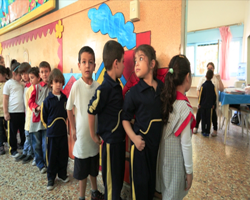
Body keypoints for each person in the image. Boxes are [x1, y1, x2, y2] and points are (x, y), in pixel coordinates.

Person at [122, 44, 163, 200]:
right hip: (139, 149)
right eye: (135, 60)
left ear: (152, 64)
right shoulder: (133, 93)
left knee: (150, 186)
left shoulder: (162, 88)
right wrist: (134, 138)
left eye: (141, 59)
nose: (136, 64)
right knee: (139, 188)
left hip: (155, 149)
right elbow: (125, 119)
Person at [88, 40, 126, 200]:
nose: (124, 66)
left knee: (117, 181)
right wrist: (93, 134)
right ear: (116, 63)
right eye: (123, 62)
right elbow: (91, 109)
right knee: (110, 185)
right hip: (109, 144)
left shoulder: (117, 85)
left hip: (119, 143)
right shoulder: (104, 89)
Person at [156, 55, 195, 200]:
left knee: (167, 194)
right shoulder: (184, 108)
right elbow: (186, 145)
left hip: (164, 162)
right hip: (176, 166)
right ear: (187, 77)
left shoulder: (166, 100)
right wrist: (189, 172)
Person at [67, 46, 104, 200]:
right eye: (84, 62)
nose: (87, 65)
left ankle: (94, 192)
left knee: (93, 169)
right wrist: (73, 129)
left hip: (94, 137)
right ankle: (82, 196)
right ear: (79, 65)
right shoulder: (76, 86)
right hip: (82, 138)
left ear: (95, 66)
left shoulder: (98, 87)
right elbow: (69, 108)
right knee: (82, 173)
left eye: (90, 62)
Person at [41, 68, 69, 190]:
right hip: (52, 134)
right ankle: (51, 178)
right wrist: (50, 127)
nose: (58, 85)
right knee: (51, 157)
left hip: (62, 133)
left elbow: (67, 114)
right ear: (51, 83)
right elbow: (44, 117)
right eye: (56, 82)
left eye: (60, 82)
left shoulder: (65, 99)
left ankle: (62, 174)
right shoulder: (47, 101)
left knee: (63, 155)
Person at [28, 61, 51, 173]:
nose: (45, 74)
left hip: (46, 121)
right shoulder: (36, 87)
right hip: (36, 120)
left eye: (46, 71)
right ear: (40, 75)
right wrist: (36, 107)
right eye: (42, 72)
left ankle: (46, 163)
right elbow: (30, 102)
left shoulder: (52, 87)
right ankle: (40, 164)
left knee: (45, 144)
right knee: (36, 144)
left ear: (50, 72)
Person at [194, 62, 224, 136]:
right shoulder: (203, 79)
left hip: (212, 103)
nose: (210, 69)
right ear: (206, 69)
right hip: (203, 102)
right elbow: (198, 90)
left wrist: (220, 80)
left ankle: (214, 129)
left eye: (211, 68)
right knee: (200, 112)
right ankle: (196, 126)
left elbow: (222, 89)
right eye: (208, 68)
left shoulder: (216, 79)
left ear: (214, 69)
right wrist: (199, 101)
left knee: (213, 114)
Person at [3, 59, 25, 158]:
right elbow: (5, 99)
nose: (21, 76)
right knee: (13, 132)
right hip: (12, 112)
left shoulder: (22, 84)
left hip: (22, 112)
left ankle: (24, 147)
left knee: (23, 131)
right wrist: (6, 112)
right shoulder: (8, 84)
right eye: (19, 74)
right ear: (13, 73)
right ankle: (13, 150)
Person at [15, 63, 34, 163]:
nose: (24, 76)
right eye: (22, 74)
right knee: (26, 134)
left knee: (30, 135)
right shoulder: (25, 86)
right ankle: (25, 152)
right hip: (27, 114)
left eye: (25, 73)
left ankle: (30, 153)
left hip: (32, 115)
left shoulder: (33, 87)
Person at [198, 69, 217, 137]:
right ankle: (207, 132)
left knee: (203, 119)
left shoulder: (203, 85)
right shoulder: (213, 86)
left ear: (205, 76)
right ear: (212, 77)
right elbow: (215, 96)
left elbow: (200, 96)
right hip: (209, 106)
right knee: (209, 119)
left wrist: (199, 104)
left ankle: (203, 131)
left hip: (203, 105)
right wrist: (213, 104)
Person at [0, 65, 8, 155]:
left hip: (6, 110)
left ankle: (8, 141)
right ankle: (1, 145)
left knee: (8, 128)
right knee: (0, 130)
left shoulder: (7, 84)